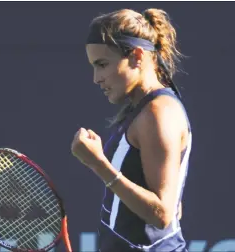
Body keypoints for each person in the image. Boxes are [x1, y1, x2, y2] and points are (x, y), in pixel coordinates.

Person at [71, 7, 192, 252]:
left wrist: (98, 164)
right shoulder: (142, 110)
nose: (96, 77)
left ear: (137, 56)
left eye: (102, 64)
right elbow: (172, 205)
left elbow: (162, 214)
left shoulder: (158, 114)